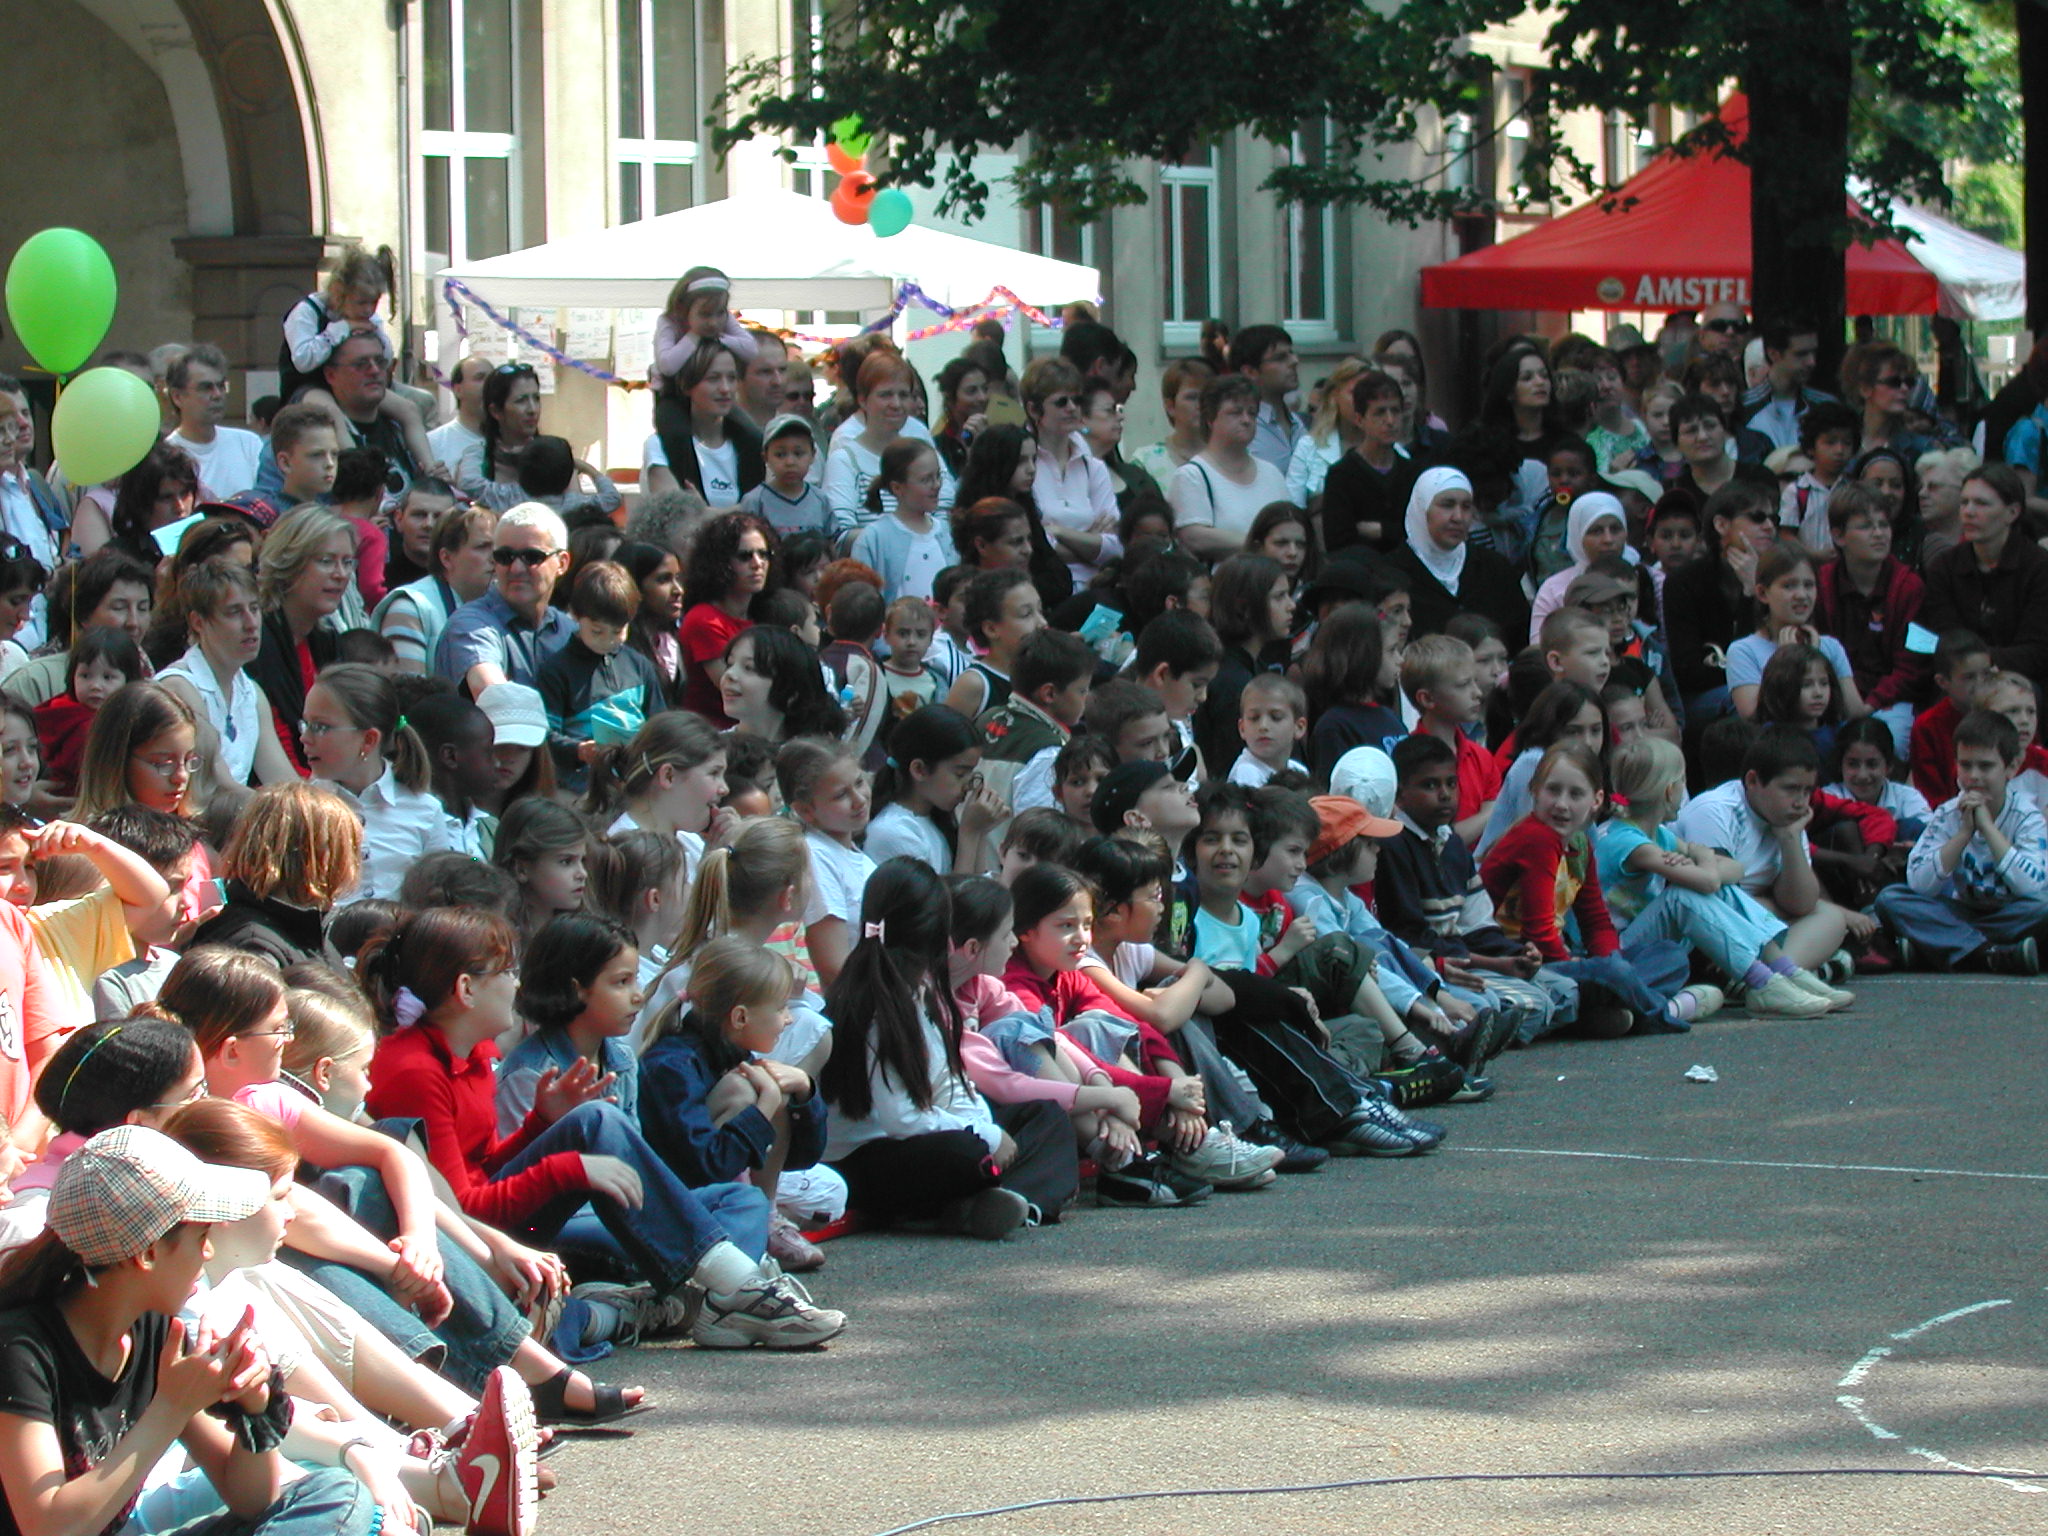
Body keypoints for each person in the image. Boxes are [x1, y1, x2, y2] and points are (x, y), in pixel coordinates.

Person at [361, 904, 846, 1350]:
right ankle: (733, 1291)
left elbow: (485, 1168)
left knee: (739, 1200)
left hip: (526, 1221)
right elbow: (461, 1210)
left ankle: (707, 1297)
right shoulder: (415, 1071)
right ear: (466, 989)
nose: (515, 983)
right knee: (597, 1120)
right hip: (482, 1246)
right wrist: (570, 1167)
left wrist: (541, 1124)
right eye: (505, 971)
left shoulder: (474, 1054)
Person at [0, 1123, 384, 1536]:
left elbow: (251, 1500)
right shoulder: (19, 1349)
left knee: (336, 1493)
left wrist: (255, 1411)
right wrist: (171, 1405)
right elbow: (48, 1527)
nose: (209, 1251)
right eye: (201, 1235)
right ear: (148, 1252)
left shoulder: (153, 1333)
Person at [821, 858, 1078, 1235]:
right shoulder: (876, 1003)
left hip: (919, 1135)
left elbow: (947, 1083)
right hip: (870, 1158)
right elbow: (902, 1120)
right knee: (966, 1154)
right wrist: (987, 1136)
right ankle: (980, 1201)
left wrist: (983, 1124)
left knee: (1045, 1116)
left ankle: (1008, 1203)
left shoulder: (918, 991)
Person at [1673, 727, 1861, 978]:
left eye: (1807, 791)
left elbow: (1801, 904)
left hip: (1759, 926)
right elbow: (1720, 902)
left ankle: (1770, 978)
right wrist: (1775, 906)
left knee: (1831, 917)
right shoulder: (1715, 810)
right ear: (1753, 781)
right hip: (1704, 934)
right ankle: (1783, 976)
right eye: (1790, 789)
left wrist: (1789, 838)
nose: (1801, 802)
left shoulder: (1788, 820)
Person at [1876, 709, 2048, 974]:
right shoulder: (1947, 814)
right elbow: (1920, 885)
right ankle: (1991, 954)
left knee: (2044, 905)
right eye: (1966, 765)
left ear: (2011, 767)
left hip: (2013, 913)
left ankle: (1942, 947)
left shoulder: (2027, 816)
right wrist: (1963, 834)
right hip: (1962, 911)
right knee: (1891, 899)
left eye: (1986, 766)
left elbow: (2031, 887)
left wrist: (1987, 828)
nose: (1974, 776)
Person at [300, 663, 451, 901]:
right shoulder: (301, 811)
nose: (304, 738)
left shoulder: (426, 811)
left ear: (369, 739)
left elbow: (438, 899)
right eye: (305, 724)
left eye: (320, 727)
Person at [155, 558, 301, 798]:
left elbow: (284, 783)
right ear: (198, 622)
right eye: (234, 612)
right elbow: (217, 784)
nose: (251, 623)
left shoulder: (252, 694)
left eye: (254, 609)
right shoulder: (179, 687)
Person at [189, 781, 361, 966]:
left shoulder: (310, 929)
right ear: (314, 855)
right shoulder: (255, 947)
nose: (350, 860)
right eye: (343, 848)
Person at [1919, 464, 2048, 686]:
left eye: (1981, 503)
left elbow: (2038, 650)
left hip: (2024, 683)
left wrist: (1980, 664)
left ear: (2012, 512)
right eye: (1964, 502)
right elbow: (1945, 639)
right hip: (1958, 682)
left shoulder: (2039, 567)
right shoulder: (1944, 567)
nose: (1968, 512)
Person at [534, 560, 664, 779]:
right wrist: (578, 750)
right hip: (582, 782)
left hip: (635, 777)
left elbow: (659, 722)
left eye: (618, 631)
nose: (608, 640)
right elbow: (545, 735)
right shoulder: (557, 671)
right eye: (597, 631)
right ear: (575, 615)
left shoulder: (639, 665)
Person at [247, 505, 354, 767]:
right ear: (289, 562)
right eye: (326, 561)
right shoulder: (256, 642)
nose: (340, 574)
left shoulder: (328, 641)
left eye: (347, 562)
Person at [434, 500, 575, 696]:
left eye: (532, 557)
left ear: (562, 563)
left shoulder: (568, 631)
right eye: (505, 556)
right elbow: (495, 697)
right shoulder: (471, 625)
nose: (516, 568)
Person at [585, 709, 731, 889]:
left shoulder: (689, 840)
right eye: (714, 773)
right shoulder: (628, 855)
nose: (724, 789)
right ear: (668, 776)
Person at [1384, 467, 1530, 642]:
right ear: (1422, 509)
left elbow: (1519, 633)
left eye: (1466, 507)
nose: (1458, 517)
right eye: (1447, 505)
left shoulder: (1494, 567)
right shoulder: (1391, 574)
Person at [1168, 375, 1292, 561]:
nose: (1246, 420)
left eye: (1252, 413)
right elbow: (1193, 537)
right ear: (1210, 419)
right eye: (1235, 412)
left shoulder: (1272, 474)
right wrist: (1261, 545)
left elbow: (1291, 528)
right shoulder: (1192, 475)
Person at [374, 502, 497, 674]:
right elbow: (409, 688)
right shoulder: (409, 609)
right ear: (446, 558)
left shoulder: (502, 607)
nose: (495, 558)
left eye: (498, 549)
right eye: (482, 547)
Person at [647, 341, 765, 509]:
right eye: (713, 379)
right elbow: (676, 516)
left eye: (731, 378)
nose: (725, 388)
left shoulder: (751, 443)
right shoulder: (658, 445)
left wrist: (704, 511)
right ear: (686, 385)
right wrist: (743, 510)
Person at [1320, 370, 1421, 555]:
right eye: (1379, 412)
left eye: (1395, 411)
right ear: (1360, 419)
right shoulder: (1341, 475)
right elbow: (1337, 542)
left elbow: (1423, 534)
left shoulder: (1413, 473)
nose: (1390, 421)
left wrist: (1381, 531)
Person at [853, 441, 957, 602]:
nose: (936, 485)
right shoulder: (874, 538)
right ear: (897, 488)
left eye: (938, 476)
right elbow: (862, 600)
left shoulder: (946, 532)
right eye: (926, 480)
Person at [160, 344, 265, 499]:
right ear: (177, 397)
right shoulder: (167, 455)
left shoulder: (248, 443)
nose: (217, 395)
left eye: (221, 386)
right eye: (205, 388)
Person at [737, 414, 830, 538]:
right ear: (765, 457)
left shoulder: (820, 500)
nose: (790, 462)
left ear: (813, 455)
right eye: (780, 455)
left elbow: (832, 542)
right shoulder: (755, 501)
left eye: (798, 453)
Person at [427, 355, 491, 471]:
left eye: (492, 378)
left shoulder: (513, 439)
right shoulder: (433, 443)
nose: (489, 384)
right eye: (480, 378)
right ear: (458, 390)